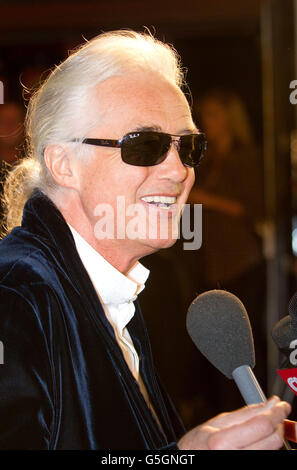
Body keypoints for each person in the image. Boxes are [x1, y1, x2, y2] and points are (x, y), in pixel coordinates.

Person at [0, 30, 290, 450]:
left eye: (188, 147)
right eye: (145, 144)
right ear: (64, 165)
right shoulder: (15, 297)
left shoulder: (105, 293)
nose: (179, 171)